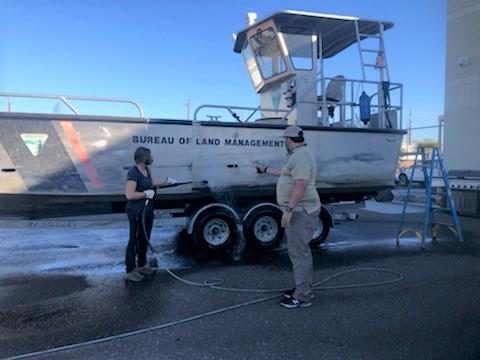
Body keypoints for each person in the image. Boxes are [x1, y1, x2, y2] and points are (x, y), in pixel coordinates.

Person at [254, 126, 321, 308]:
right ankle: (302, 288)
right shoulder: (298, 155)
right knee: (299, 252)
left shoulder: (301, 156)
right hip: (300, 209)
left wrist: (289, 208)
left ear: (289, 140)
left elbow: (301, 183)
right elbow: (285, 173)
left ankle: (303, 296)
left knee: (299, 253)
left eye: (285, 139)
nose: (284, 142)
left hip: (301, 211)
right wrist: (265, 169)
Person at [124, 146, 177, 282]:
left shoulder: (146, 170)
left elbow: (151, 182)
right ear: (144, 158)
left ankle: (142, 265)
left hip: (147, 211)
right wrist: (144, 194)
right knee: (134, 240)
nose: (152, 158)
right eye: (150, 156)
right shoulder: (133, 173)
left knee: (144, 238)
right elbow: (129, 195)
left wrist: (166, 181)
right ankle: (130, 270)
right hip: (136, 211)